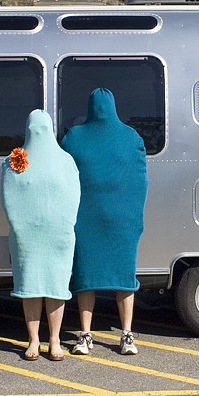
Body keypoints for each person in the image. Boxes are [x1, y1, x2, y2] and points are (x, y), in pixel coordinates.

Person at [61, 88, 148, 355]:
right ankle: (127, 336)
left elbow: (63, 174)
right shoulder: (131, 136)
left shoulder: (74, 136)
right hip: (123, 222)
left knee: (85, 278)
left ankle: (85, 335)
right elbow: (140, 180)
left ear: (90, 106)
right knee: (124, 277)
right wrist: (135, 216)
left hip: (84, 220)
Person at [1, 109, 80, 361]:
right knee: (30, 287)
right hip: (26, 236)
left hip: (59, 235)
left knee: (57, 287)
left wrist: (68, 224)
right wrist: (18, 226)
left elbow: (74, 195)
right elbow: (8, 197)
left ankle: (55, 339)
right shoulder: (12, 160)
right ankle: (33, 339)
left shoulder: (66, 160)